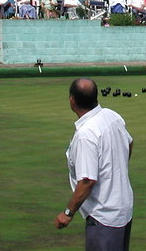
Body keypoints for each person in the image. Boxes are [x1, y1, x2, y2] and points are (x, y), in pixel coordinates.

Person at [55, 78, 133, 251]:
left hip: (104, 215)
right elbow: (129, 142)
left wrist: (68, 213)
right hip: (123, 207)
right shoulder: (112, 116)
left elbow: (88, 180)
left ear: (72, 101)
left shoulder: (86, 134)